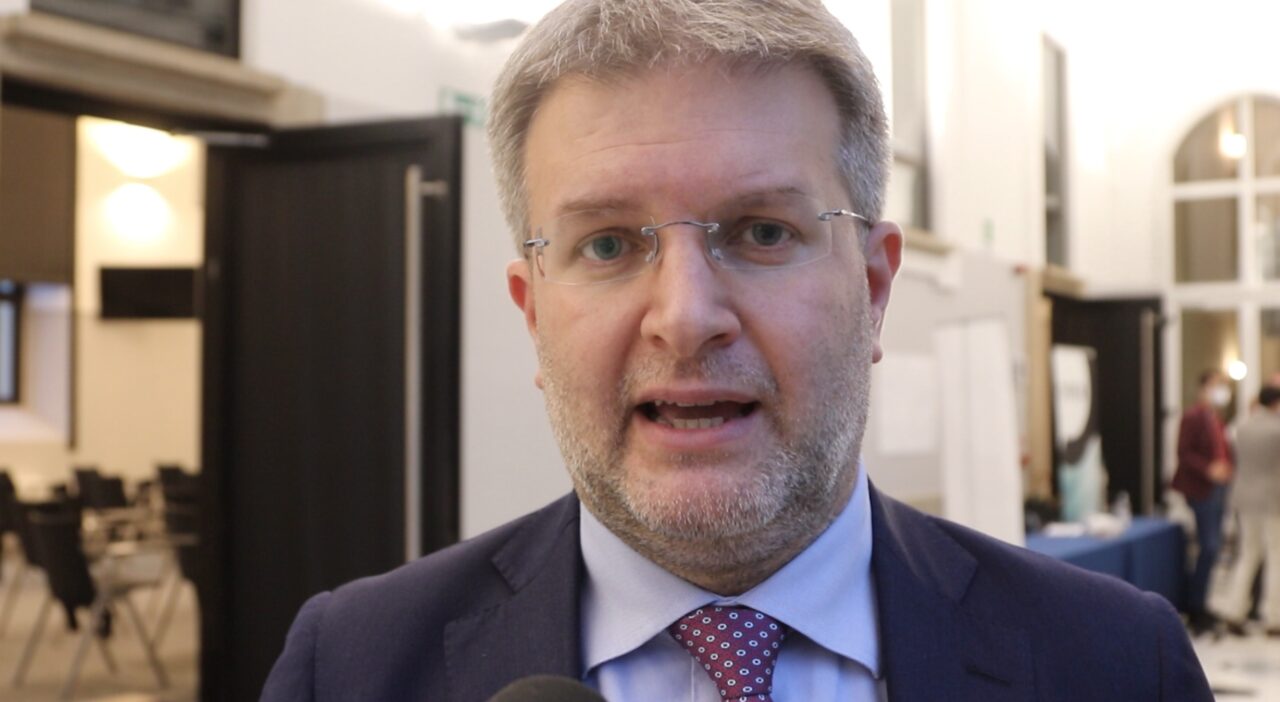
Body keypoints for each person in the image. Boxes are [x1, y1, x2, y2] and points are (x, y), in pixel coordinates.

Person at [262, 1, 1211, 699]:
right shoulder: (348, 669)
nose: (685, 317)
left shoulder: (1118, 664)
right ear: (533, 314)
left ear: (874, 289)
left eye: (761, 232)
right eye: (608, 244)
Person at [1214, 385, 1280, 636]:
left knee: (1248, 554)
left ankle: (1234, 610)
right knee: (1275, 557)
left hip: (1244, 498)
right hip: (1271, 499)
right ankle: (1273, 617)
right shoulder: (1276, 429)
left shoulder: (1242, 426)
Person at [1173, 369, 1235, 634]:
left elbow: (1224, 451)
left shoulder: (1216, 419)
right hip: (1201, 489)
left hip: (1218, 488)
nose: (1221, 390)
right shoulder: (1192, 417)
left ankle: (1202, 603)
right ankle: (1195, 606)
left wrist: (1227, 468)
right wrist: (1209, 468)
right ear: (1204, 387)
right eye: (1217, 385)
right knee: (1208, 546)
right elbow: (1184, 453)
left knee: (1214, 547)